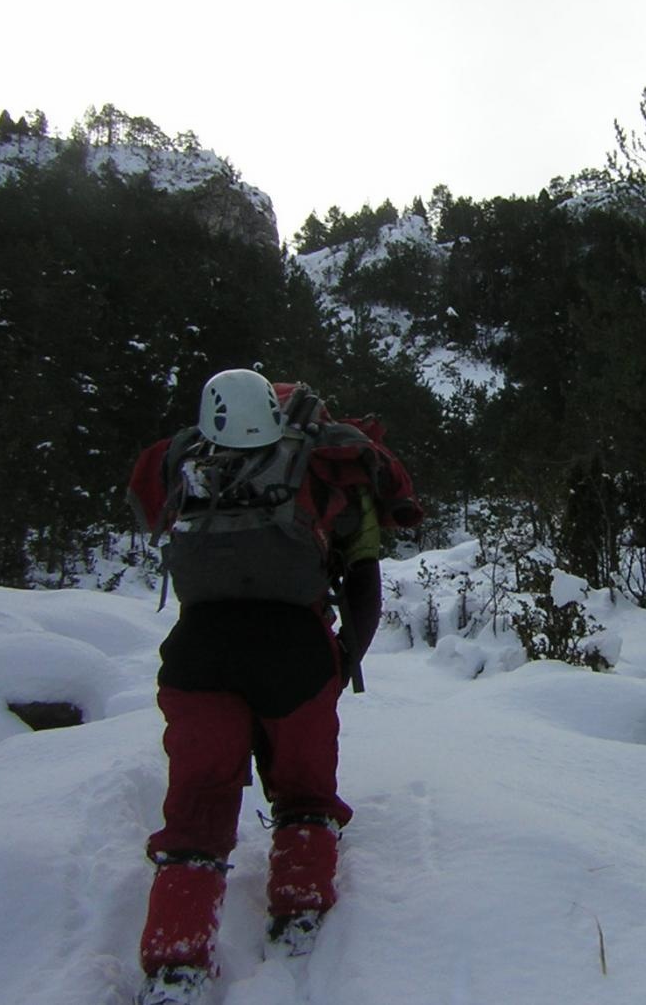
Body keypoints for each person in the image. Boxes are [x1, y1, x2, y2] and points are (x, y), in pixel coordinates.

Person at [124, 368, 421, 1004]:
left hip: (197, 652)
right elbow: (364, 585)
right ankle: (299, 908)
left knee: (197, 802)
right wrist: (339, 664)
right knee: (305, 789)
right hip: (295, 650)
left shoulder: (194, 463)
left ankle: (176, 962)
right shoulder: (328, 468)